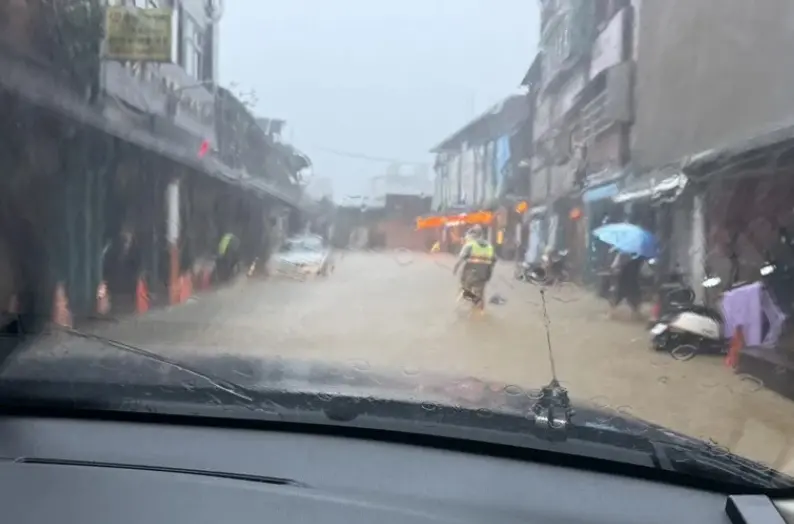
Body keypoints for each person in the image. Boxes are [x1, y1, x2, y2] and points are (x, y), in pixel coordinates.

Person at [452, 225, 496, 307]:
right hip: (484, 275)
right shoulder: (489, 246)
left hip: (470, 274)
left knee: (465, 290)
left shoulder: (470, 245)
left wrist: (455, 269)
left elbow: (460, 259)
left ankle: (464, 308)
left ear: (472, 234)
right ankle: (480, 310)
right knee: (480, 294)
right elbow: (494, 261)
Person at [609, 248, 645, 320]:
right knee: (635, 301)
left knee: (617, 298)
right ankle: (636, 315)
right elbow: (644, 271)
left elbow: (614, 266)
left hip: (624, 280)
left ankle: (610, 314)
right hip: (633, 282)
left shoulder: (622, 253)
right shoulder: (640, 256)